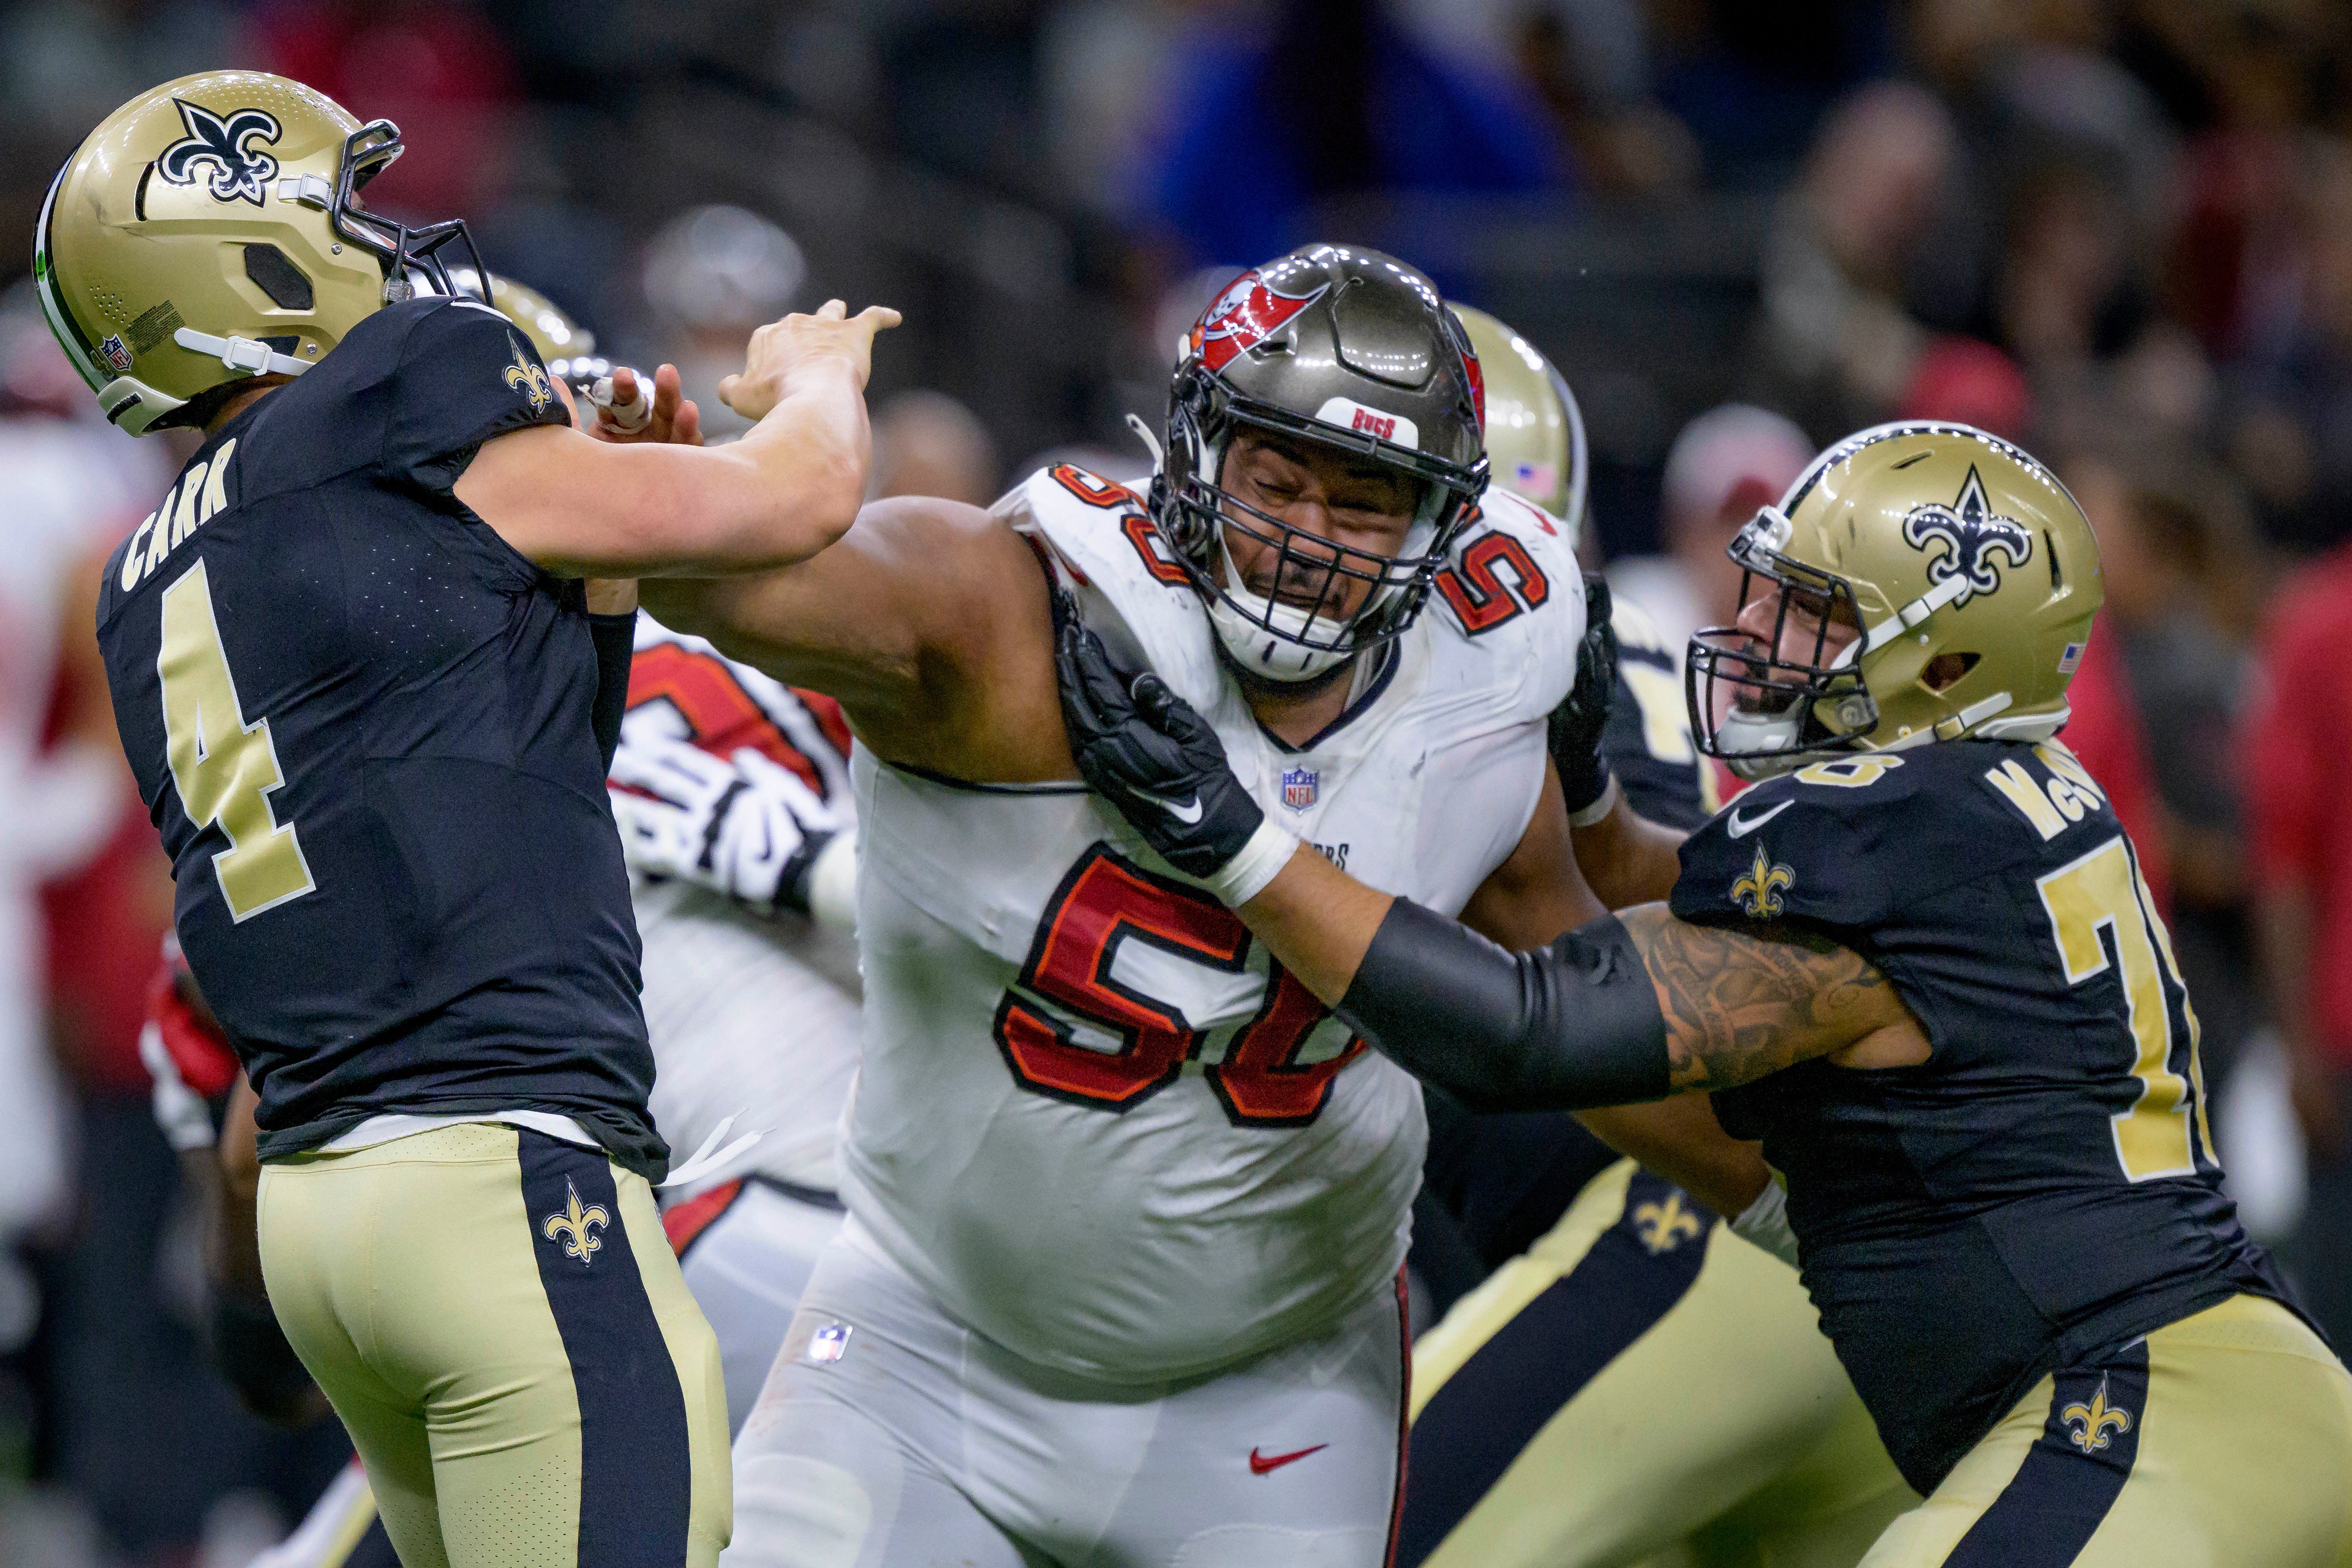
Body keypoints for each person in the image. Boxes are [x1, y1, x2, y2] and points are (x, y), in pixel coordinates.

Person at [1061, 420, 2352, 1566]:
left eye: (1823, 618)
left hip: (2139, 1407)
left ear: (1951, 669)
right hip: (2197, 1400)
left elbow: (1533, 1031)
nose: (1771, 642)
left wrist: (1236, 842)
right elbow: (1672, 901)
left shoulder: (1901, 824)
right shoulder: (1982, 810)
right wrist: (1578, 787)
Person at [642, 243, 1742, 1566]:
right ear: (1193, 453)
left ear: (1446, 525)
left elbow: (1583, 1011)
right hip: (918, 1338)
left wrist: (1806, 1207)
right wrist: (694, 466)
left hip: (1276, 1399)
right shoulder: (1016, 610)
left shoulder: (1480, 692)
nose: (1307, 545)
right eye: (1276, 480)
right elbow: (720, 579)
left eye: (1367, 504)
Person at [45, 69, 895, 1568]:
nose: (384, 240)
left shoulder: (148, 571)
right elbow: (796, 504)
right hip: (508, 1173)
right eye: (338, 209)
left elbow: (528, 736)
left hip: (328, 1212)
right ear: (244, 256)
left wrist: (605, 531)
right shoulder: (393, 397)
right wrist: (819, 381)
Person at [1398, 309, 1913, 1568]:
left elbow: (1654, 944)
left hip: (1682, 1237)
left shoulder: (1532, 675)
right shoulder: (1611, 650)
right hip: (1743, 1275)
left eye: (1356, 500)